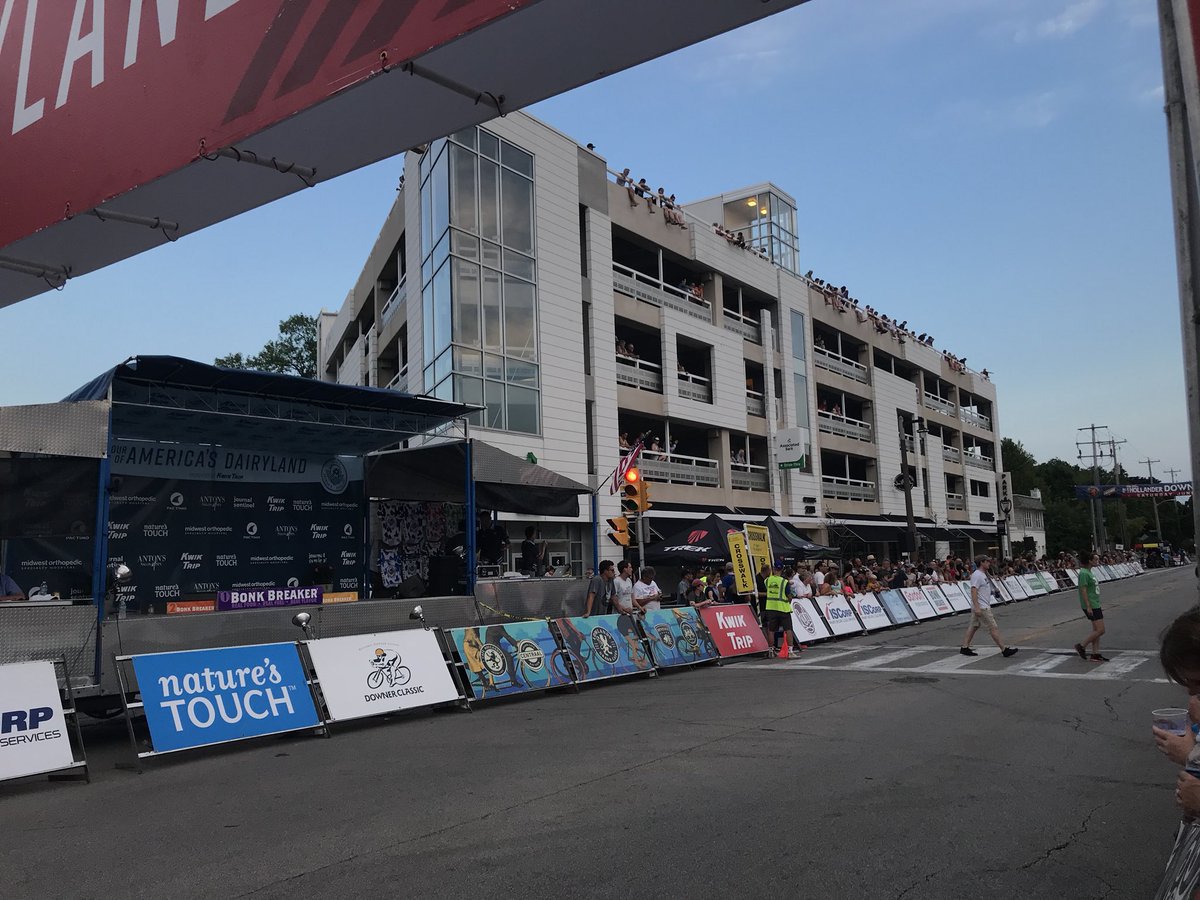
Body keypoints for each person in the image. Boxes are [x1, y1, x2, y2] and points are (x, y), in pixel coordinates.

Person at [960, 557, 1017, 658]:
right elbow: (973, 591)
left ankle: (964, 647)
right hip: (982, 607)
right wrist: (977, 607)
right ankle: (1004, 649)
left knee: (974, 626)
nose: (989, 563)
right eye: (987, 562)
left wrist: (993, 592)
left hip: (982, 605)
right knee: (993, 627)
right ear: (982, 563)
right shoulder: (977, 575)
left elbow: (983, 589)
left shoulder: (983, 575)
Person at [1073, 553, 1108, 662]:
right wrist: (1088, 606)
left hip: (1095, 603)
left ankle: (1095, 653)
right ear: (1089, 561)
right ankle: (1082, 645)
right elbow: (1083, 590)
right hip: (1091, 605)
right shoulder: (1084, 573)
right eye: (1095, 559)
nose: (1097, 561)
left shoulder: (1089, 572)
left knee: (1096, 630)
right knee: (1101, 630)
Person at [763, 563, 801, 655]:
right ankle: (790, 651)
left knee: (771, 630)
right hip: (783, 609)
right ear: (782, 569)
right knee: (788, 629)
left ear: (773, 569)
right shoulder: (784, 582)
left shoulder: (767, 580)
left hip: (771, 608)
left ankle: (771, 651)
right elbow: (789, 596)